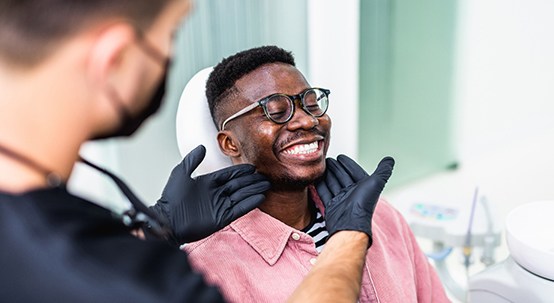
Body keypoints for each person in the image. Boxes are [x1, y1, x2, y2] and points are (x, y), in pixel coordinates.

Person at [0, 1, 393, 302]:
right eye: (168, 35)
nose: (304, 121)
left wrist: (157, 225)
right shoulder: (144, 280)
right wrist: (349, 236)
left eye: (309, 102)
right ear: (114, 58)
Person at [179, 46, 451, 303]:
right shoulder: (205, 271)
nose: (308, 120)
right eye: (275, 111)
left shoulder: (380, 217)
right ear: (230, 144)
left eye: (311, 104)